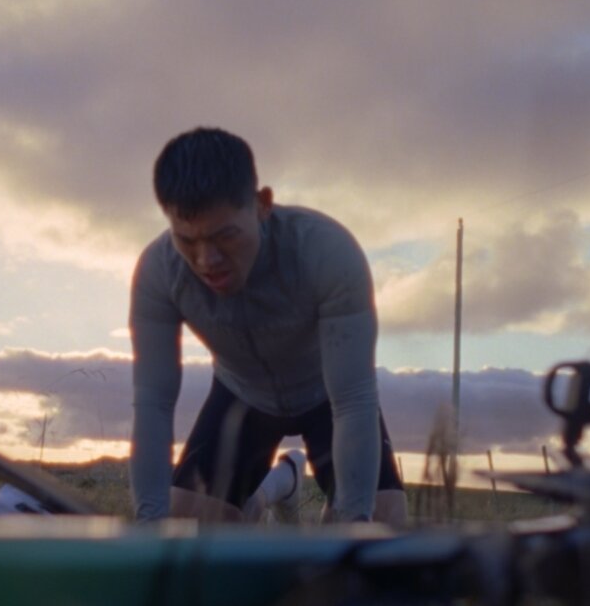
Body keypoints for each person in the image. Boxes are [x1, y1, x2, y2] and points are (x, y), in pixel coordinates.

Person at [128, 127, 407, 525]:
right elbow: (154, 404)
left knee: (381, 526)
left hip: (327, 395)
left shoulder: (327, 252)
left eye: (225, 236)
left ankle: (288, 485)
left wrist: (355, 525)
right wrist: (148, 529)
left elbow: (353, 400)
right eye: (187, 240)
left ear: (262, 205)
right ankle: (270, 491)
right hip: (241, 393)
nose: (206, 260)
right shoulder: (159, 272)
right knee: (186, 526)